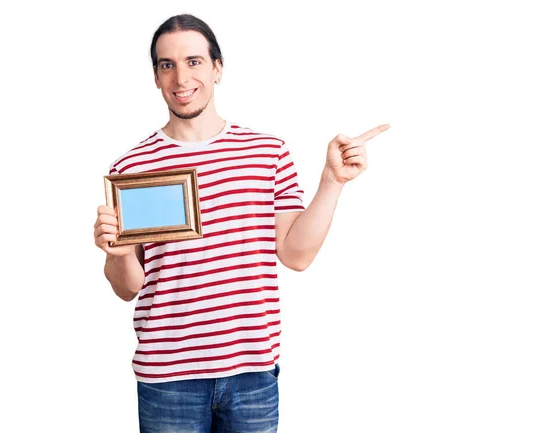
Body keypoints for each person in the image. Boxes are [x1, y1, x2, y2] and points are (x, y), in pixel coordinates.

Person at [93, 13, 389, 433]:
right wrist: (118, 253)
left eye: (194, 61)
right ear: (156, 77)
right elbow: (127, 287)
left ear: (217, 67)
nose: (181, 77)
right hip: (167, 377)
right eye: (167, 65)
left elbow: (295, 255)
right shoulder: (133, 168)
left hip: (252, 372)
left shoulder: (267, 153)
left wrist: (331, 182)